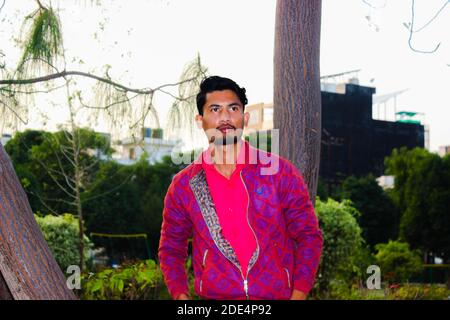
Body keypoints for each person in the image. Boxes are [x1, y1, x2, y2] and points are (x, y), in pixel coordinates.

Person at [158, 76, 323, 300]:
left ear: (244, 117)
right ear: (200, 120)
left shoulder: (279, 173)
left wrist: (299, 295)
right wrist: (180, 297)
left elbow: (308, 237)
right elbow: (171, 249)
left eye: (233, 108)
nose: (225, 117)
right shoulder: (185, 185)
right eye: (215, 109)